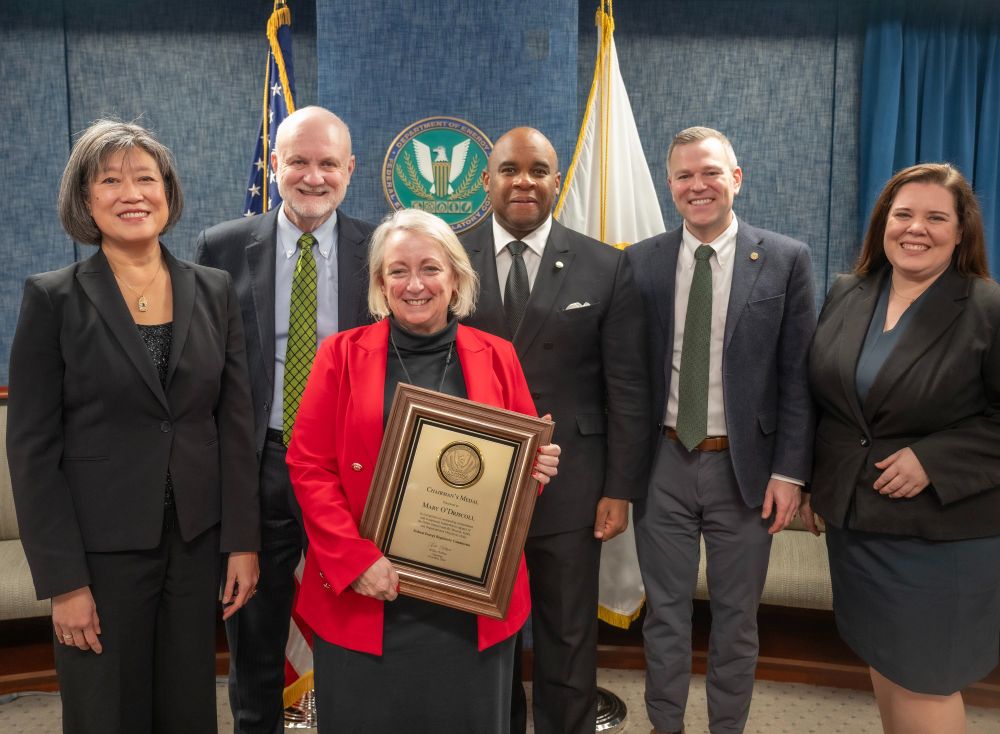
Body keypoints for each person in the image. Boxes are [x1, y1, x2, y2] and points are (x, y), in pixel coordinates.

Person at [6, 119, 260, 734]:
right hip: (99, 550)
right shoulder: (53, 299)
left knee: (188, 706)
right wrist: (64, 582)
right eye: (111, 181)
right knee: (106, 711)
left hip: (196, 542)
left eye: (146, 178)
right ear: (85, 201)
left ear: (167, 193)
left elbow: (234, 420)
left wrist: (243, 541)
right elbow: (33, 451)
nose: (132, 193)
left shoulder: (214, 289)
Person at [283, 207, 560, 732]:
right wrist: (355, 561)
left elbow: (513, 477)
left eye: (430, 268)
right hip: (367, 592)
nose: (415, 284)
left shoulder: (498, 356)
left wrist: (536, 467)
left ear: (455, 278)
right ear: (379, 284)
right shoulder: (338, 356)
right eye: (398, 270)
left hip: (469, 605)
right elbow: (309, 467)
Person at [461, 126, 651, 734]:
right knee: (486, 639)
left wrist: (620, 488)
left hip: (570, 487)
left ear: (557, 181)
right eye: (510, 169)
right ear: (486, 180)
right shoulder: (446, 256)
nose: (524, 181)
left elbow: (626, 388)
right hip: (470, 480)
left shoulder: (604, 264)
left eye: (539, 170)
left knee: (568, 636)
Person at [626, 126, 816, 734]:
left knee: (736, 618)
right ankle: (666, 727)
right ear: (670, 185)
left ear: (736, 178)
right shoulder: (641, 261)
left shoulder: (786, 259)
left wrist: (790, 472)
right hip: (663, 463)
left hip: (747, 471)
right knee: (665, 616)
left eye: (710, 172)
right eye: (684, 175)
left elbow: (797, 377)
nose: (697, 185)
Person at [195, 105, 375, 734]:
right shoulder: (220, 247)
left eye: (328, 163)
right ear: (275, 165)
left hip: (349, 468)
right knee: (254, 629)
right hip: (259, 464)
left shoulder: (380, 249)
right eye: (298, 161)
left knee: (355, 626)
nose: (313, 176)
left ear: (351, 170)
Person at [804, 163, 1000, 734]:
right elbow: (833, 407)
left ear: (961, 232)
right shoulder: (849, 292)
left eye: (936, 217)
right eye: (903, 214)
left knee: (925, 682)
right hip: (858, 527)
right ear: (882, 224)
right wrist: (821, 485)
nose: (917, 228)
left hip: (941, 538)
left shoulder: (987, 307)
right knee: (888, 668)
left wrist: (933, 459)